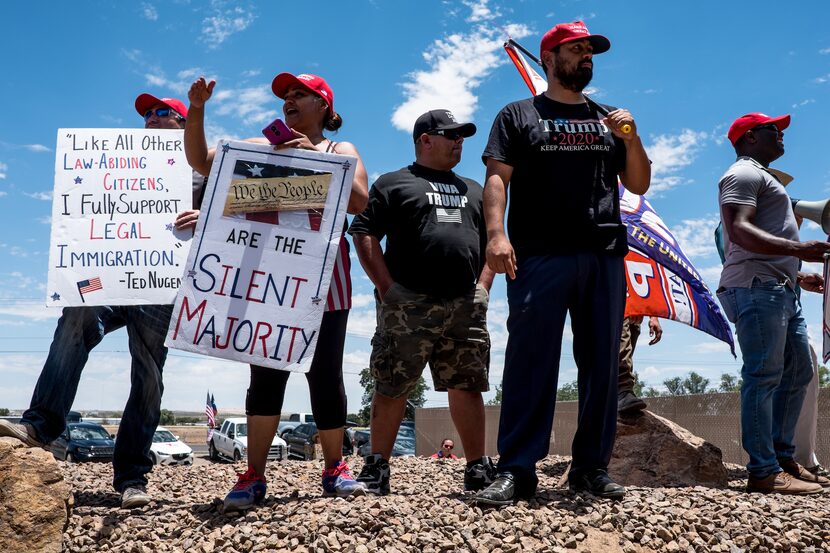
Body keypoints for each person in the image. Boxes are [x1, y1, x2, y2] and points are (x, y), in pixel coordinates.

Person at [475, 21, 650, 506]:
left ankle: (590, 469)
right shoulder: (518, 114)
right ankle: (517, 470)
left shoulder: (607, 118)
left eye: (591, 51)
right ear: (549, 58)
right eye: (576, 50)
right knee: (531, 361)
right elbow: (496, 180)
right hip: (539, 255)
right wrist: (495, 235)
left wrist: (632, 139)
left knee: (601, 366)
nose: (586, 57)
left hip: (603, 254)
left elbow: (638, 184)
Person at [0, 94, 202, 509]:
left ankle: (132, 477)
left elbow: (231, 216)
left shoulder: (199, 169)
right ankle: (41, 426)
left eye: (162, 112)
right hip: (106, 276)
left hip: (160, 284)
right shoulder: (115, 162)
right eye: (147, 114)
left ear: (183, 122)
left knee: (148, 374)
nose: (151, 118)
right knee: (75, 317)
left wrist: (206, 216)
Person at [183, 72, 369, 509]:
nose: (289, 99)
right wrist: (197, 110)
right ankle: (253, 475)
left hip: (324, 280)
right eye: (286, 95)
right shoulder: (258, 147)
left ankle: (334, 468)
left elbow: (359, 200)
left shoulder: (338, 149)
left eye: (299, 93)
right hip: (267, 281)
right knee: (265, 374)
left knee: (325, 374)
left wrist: (316, 162)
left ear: (324, 105)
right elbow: (201, 163)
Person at [349, 109, 495, 495]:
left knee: (467, 385)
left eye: (462, 135)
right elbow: (363, 233)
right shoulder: (393, 183)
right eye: (450, 135)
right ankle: (377, 467)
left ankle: (477, 468)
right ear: (424, 140)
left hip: (465, 303)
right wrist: (387, 289)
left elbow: (491, 244)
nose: (458, 141)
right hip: (408, 302)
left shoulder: (475, 190)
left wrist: (483, 287)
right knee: (393, 382)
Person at [716, 112, 829, 494]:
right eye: (772, 130)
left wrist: (797, 274)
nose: (780, 136)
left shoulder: (761, 177)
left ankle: (783, 459)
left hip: (779, 288)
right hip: (757, 286)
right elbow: (738, 230)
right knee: (763, 376)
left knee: (798, 371)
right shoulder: (743, 174)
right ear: (749, 138)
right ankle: (763, 471)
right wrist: (801, 249)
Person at [617, 316, 662, 415]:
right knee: (620, 329)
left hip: (634, 308)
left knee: (626, 346)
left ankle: (620, 392)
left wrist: (653, 317)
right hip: (613, 306)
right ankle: (623, 389)